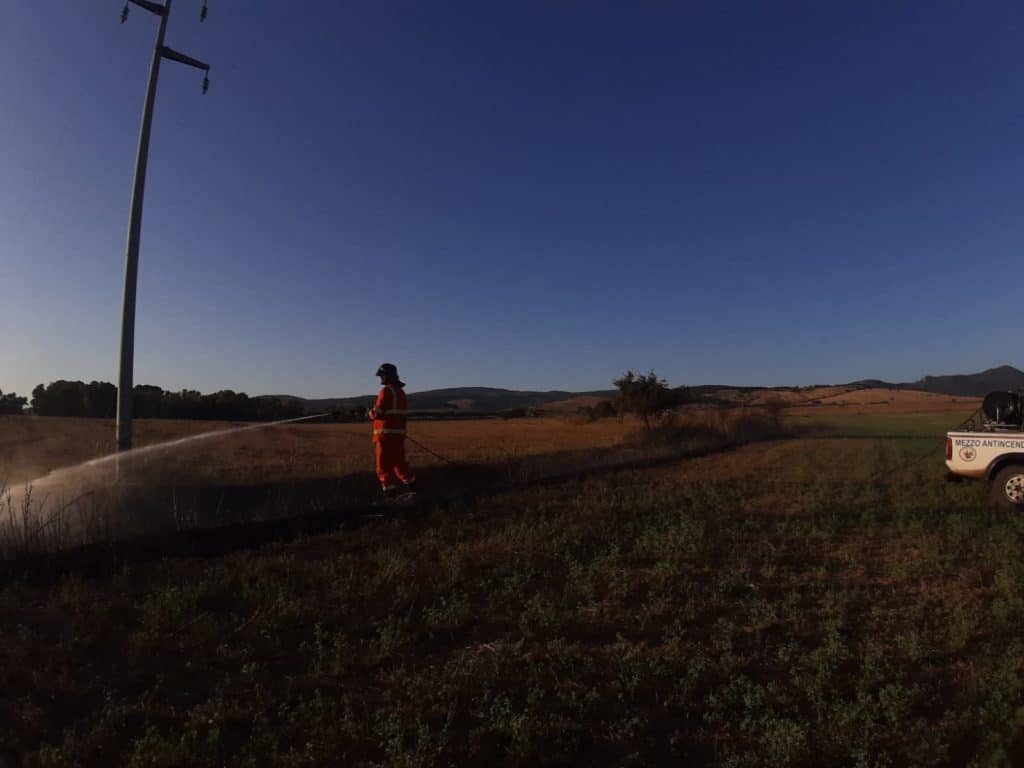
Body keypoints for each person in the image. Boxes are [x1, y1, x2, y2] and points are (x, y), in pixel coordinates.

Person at [368, 363, 416, 499]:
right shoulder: (400, 393)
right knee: (400, 466)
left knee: (382, 468)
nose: (380, 379)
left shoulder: (386, 391)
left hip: (385, 436)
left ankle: (390, 498)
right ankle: (416, 491)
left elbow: (378, 413)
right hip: (398, 436)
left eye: (382, 376)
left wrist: (369, 413)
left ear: (388, 376)